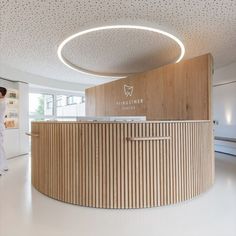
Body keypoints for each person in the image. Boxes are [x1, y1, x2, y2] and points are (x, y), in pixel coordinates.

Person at [0, 87, 8, 176]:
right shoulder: (2, 102)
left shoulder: (2, 103)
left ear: (1, 93)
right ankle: (5, 166)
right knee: (0, 147)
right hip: (1, 126)